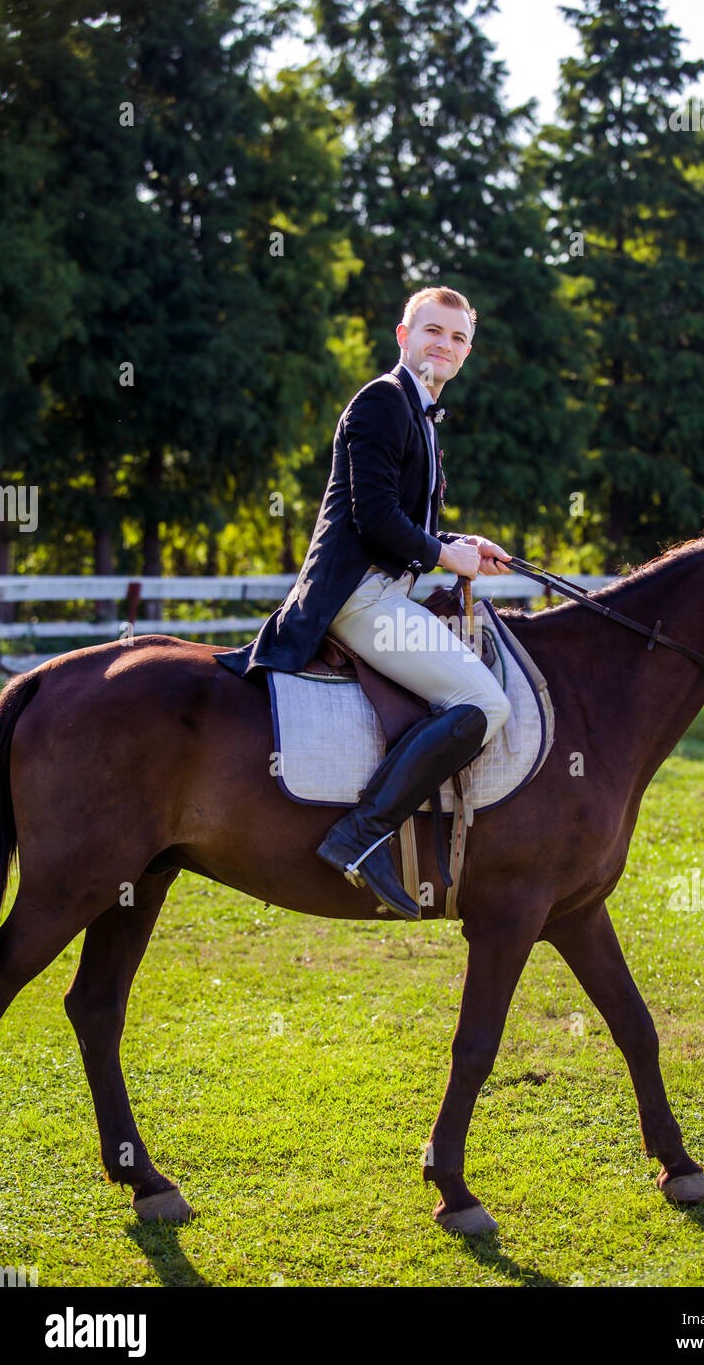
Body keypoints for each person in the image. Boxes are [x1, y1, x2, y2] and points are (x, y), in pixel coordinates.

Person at [214, 285, 512, 919]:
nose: (447, 345)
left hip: (383, 589)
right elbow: (373, 517)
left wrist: (460, 543)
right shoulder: (382, 401)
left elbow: (401, 519)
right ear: (403, 336)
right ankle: (361, 835)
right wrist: (442, 555)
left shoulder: (420, 413)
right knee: (485, 701)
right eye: (434, 331)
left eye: (459, 338)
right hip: (356, 596)